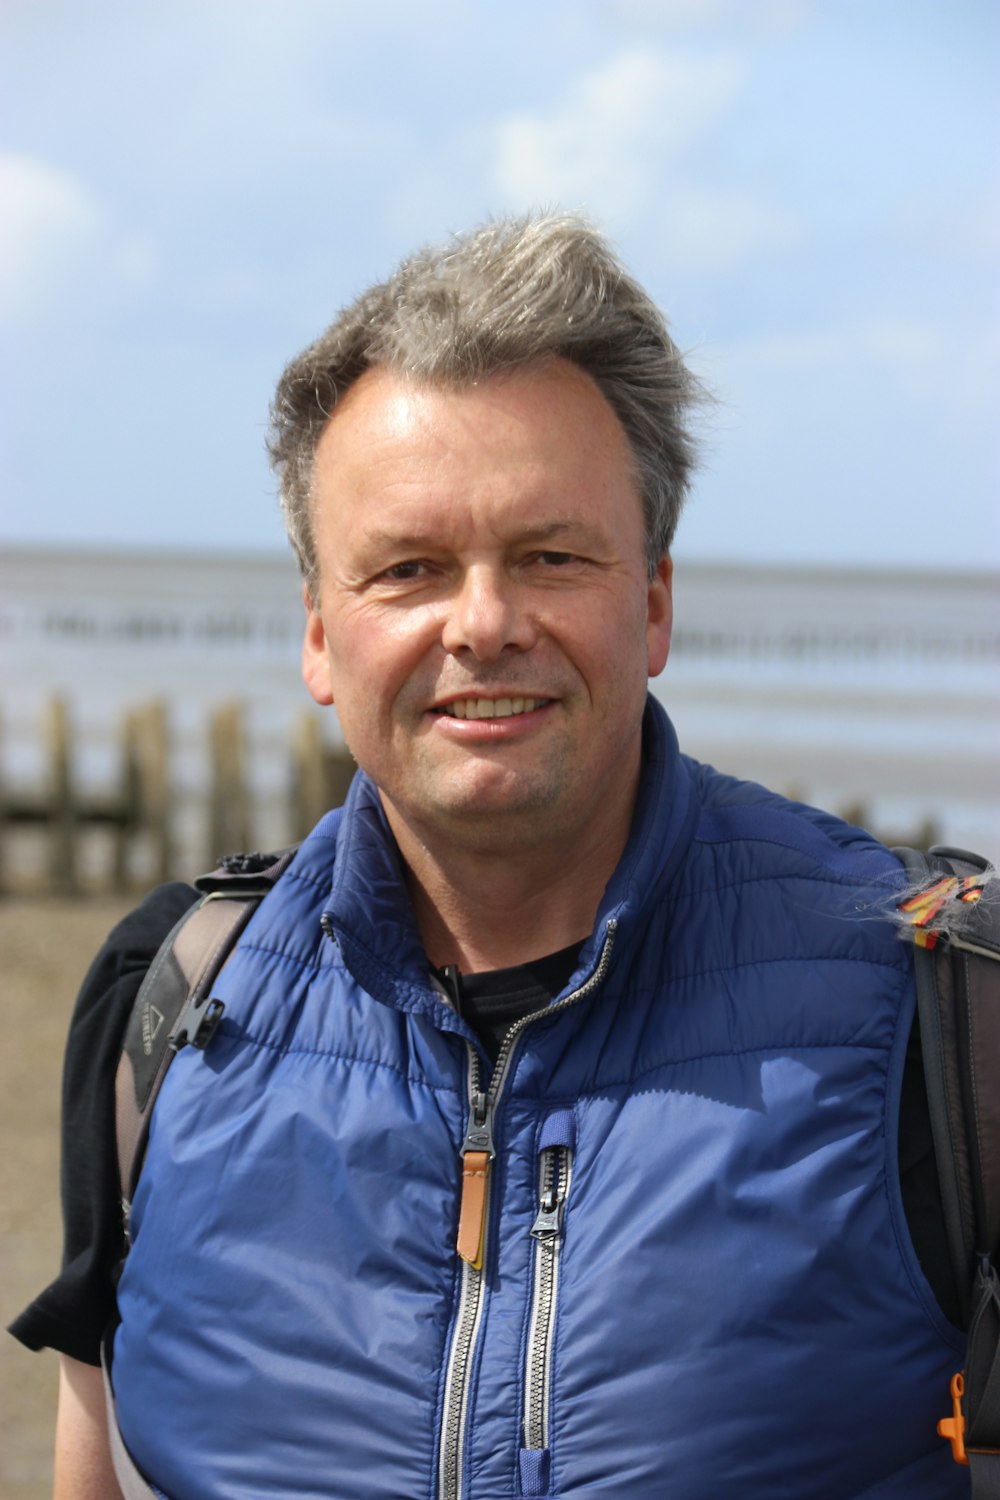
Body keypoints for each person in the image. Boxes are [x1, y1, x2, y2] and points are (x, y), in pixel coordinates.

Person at [10, 214, 969, 1499]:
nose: (482, 623)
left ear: (654, 603)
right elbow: (94, 1458)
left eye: (549, 556)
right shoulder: (170, 1003)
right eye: (408, 569)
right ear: (317, 635)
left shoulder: (934, 1005)